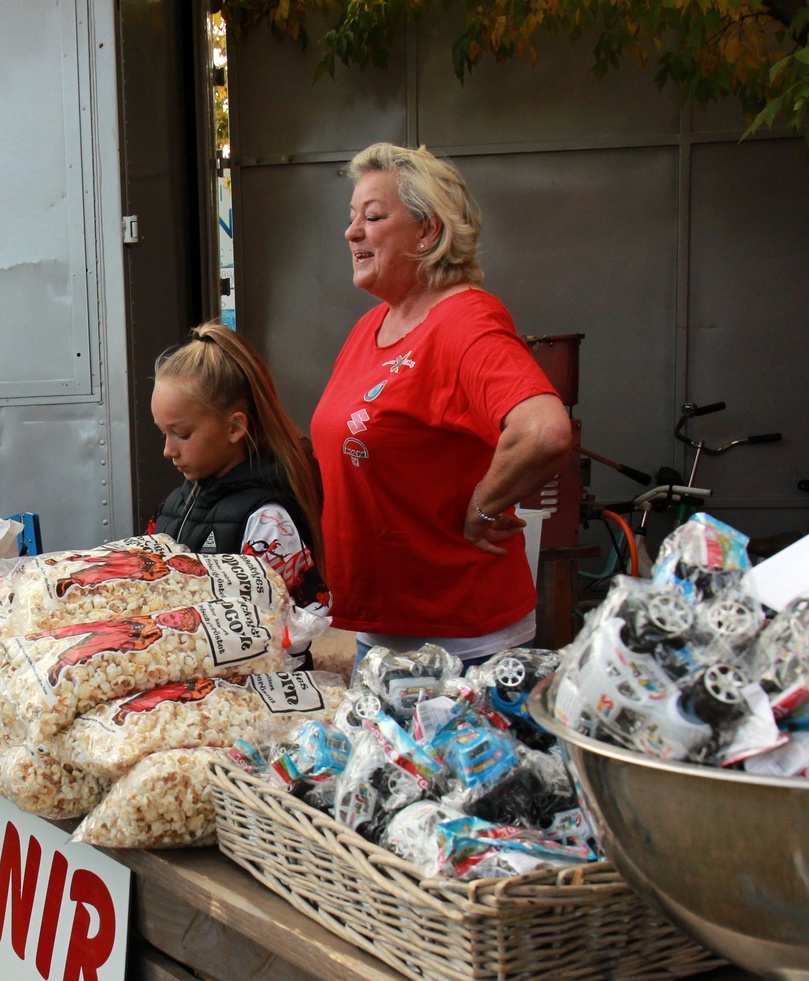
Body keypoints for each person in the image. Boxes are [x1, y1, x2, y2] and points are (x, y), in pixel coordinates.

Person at [311, 142, 572, 664]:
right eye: (352, 217)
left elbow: (544, 430)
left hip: (459, 643)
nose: (352, 231)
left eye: (374, 216)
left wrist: (483, 504)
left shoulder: (465, 322)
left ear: (428, 231)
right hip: (384, 633)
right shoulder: (372, 326)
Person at [148, 321, 329, 610]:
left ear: (234, 427)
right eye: (163, 433)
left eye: (182, 435)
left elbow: (296, 622)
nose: (168, 450)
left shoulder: (267, 522)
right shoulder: (173, 505)